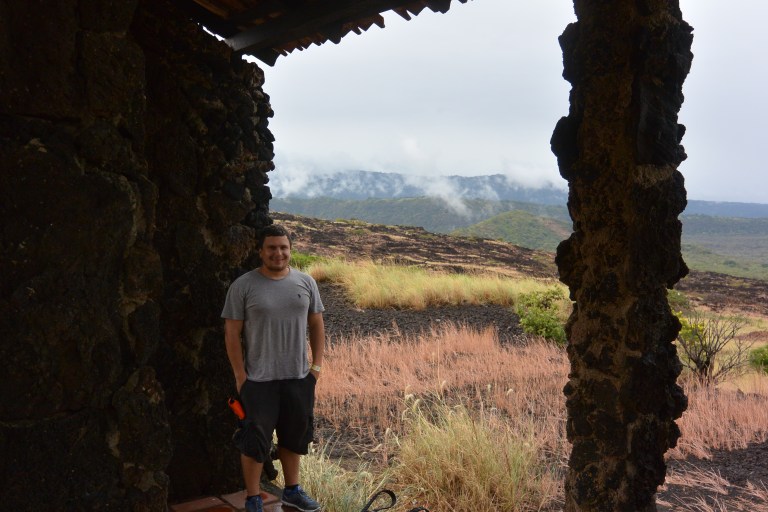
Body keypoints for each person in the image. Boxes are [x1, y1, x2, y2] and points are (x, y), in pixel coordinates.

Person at [222, 224, 325, 512]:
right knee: (254, 440)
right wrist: (241, 376)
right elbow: (232, 334)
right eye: (271, 247)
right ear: (260, 251)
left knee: (294, 436)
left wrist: (315, 368)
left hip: (298, 377)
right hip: (259, 379)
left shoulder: (306, 283)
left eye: (283, 247)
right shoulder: (243, 286)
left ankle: (292, 490)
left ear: (290, 250)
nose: (278, 253)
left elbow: (316, 324)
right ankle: (253, 498)